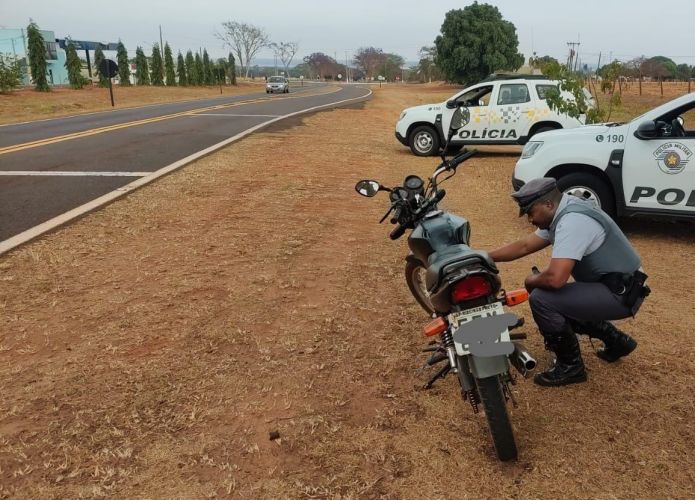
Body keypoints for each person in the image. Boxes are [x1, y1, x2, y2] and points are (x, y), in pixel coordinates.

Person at [489, 178, 649, 387]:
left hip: (620, 292)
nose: (529, 219)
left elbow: (556, 279)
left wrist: (531, 280)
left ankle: (571, 367)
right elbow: (524, 246)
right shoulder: (563, 210)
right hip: (618, 286)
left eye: (530, 212)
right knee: (563, 298)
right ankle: (617, 341)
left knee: (543, 299)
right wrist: (484, 256)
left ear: (548, 204)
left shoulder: (572, 221)